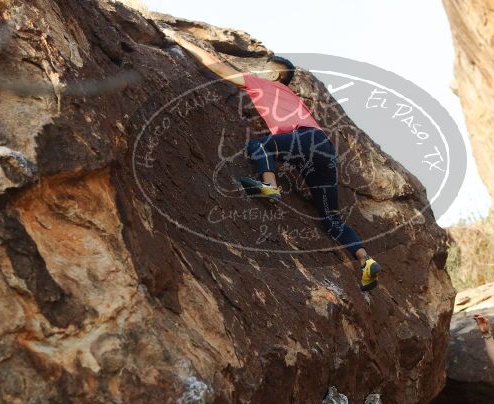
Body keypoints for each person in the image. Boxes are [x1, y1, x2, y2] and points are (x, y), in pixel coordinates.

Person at [161, 26, 381, 291]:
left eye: (266, 67)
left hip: (303, 142)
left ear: (275, 74)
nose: (260, 71)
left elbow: (218, 67)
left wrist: (179, 40)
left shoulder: (262, 84)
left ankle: (269, 186)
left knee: (259, 147)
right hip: (322, 149)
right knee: (331, 219)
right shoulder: (292, 96)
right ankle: (365, 260)